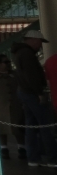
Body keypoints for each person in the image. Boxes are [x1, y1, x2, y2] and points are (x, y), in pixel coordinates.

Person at [12, 30, 57, 167]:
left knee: (30, 126)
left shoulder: (19, 53)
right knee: (45, 125)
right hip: (32, 93)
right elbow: (32, 76)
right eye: (39, 42)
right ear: (33, 40)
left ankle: (33, 158)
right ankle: (52, 158)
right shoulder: (27, 54)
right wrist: (39, 93)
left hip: (24, 92)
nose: (40, 45)